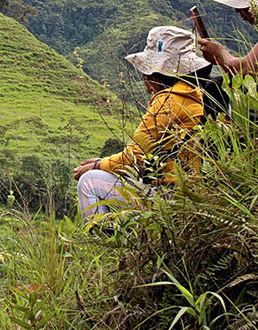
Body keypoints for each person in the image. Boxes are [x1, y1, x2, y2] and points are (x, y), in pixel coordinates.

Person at [73, 27, 209, 220]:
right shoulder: (196, 93)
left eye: (147, 71)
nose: (144, 79)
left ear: (157, 75)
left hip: (172, 196)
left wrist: (98, 165)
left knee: (89, 182)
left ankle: (105, 237)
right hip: (193, 190)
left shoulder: (168, 102)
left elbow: (133, 157)